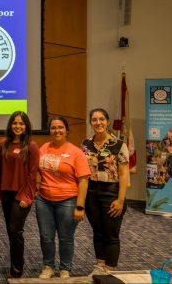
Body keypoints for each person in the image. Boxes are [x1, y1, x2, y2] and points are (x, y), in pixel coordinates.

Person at [36, 116, 90, 279]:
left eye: (60, 127)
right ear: (49, 130)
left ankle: (65, 268)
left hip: (68, 201)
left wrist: (79, 207)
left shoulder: (76, 152)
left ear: (67, 130)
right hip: (44, 200)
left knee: (66, 238)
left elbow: (83, 181)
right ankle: (48, 266)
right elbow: (37, 170)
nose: (57, 130)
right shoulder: (44, 147)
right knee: (46, 237)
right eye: (53, 128)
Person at [81, 108, 129, 275]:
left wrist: (120, 200)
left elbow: (124, 175)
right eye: (94, 119)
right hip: (92, 193)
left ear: (107, 121)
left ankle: (109, 270)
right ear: (91, 122)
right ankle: (100, 266)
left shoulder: (119, 145)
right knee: (98, 232)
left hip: (112, 192)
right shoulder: (86, 144)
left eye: (102, 119)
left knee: (111, 234)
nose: (98, 122)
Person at [0, 111, 39, 279]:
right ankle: (15, 264)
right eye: (15, 123)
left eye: (21, 124)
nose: (18, 126)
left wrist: (27, 197)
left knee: (15, 230)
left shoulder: (31, 146)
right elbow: (0, 170)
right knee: (10, 231)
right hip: (6, 193)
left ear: (26, 126)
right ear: (10, 125)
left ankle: (17, 269)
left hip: (22, 196)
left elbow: (32, 174)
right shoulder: (4, 144)